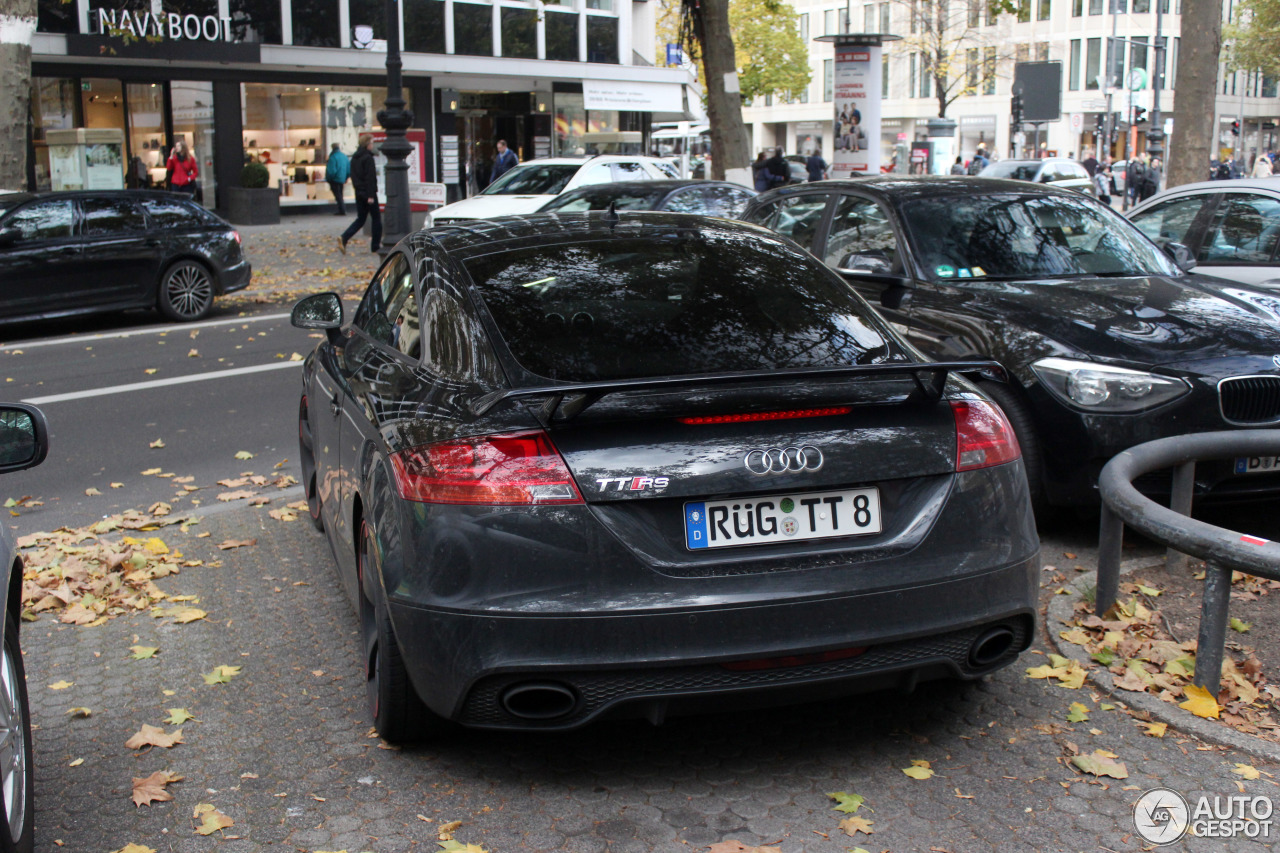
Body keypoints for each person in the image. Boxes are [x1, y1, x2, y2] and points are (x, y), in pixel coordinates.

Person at [338, 133, 381, 255]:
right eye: (371, 143)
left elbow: (355, 176)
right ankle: (375, 246)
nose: (372, 145)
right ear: (367, 144)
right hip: (368, 193)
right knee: (376, 219)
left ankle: (344, 237)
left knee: (361, 219)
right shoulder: (368, 158)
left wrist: (359, 190)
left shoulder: (355, 158)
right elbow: (370, 178)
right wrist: (371, 195)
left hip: (359, 192)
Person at [325, 142, 350, 216]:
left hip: (335, 179)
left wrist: (329, 179)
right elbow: (348, 169)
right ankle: (342, 209)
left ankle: (342, 210)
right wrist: (346, 177)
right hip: (342, 179)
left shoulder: (333, 157)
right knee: (340, 195)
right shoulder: (344, 156)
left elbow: (331, 170)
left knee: (338, 195)